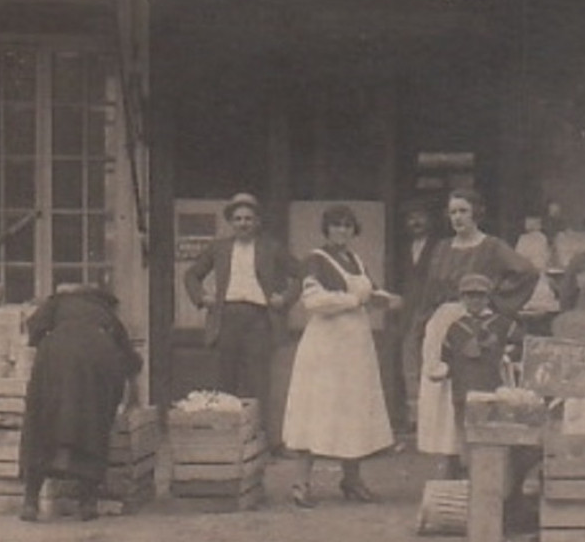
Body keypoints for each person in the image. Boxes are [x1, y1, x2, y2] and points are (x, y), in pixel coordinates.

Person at [414, 189, 538, 474]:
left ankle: (476, 460)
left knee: (474, 385)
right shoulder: (442, 248)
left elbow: (527, 272)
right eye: (453, 212)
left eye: (463, 211)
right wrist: (424, 323)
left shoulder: (491, 247)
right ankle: (449, 459)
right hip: (442, 321)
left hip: (474, 322)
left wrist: (494, 302)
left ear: (476, 214)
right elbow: (430, 289)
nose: (457, 217)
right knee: (442, 389)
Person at [281, 205, 396, 508]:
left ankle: (352, 479)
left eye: (347, 226)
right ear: (327, 229)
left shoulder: (355, 260)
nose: (342, 231)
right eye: (336, 226)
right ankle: (301, 483)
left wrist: (384, 300)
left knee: (354, 408)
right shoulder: (316, 260)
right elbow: (314, 301)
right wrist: (353, 299)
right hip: (325, 346)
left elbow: (369, 294)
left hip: (356, 344)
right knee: (317, 408)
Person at [17, 282, 143, 523]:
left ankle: (31, 501)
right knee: (94, 424)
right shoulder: (106, 314)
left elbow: (33, 328)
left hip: (55, 356)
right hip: (98, 358)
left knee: (40, 424)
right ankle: (87, 502)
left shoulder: (59, 302)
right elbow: (128, 356)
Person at [182, 193, 299, 445]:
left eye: (248, 218)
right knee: (226, 381)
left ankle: (266, 443)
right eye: (237, 219)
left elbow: (300, 274)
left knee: (260, 383)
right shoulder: (219, 248)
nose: (243, 223)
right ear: (230, 222)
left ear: (257, 221)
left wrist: (285, 298)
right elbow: (191, 275)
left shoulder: (271, 247)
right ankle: (227, 442)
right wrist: (203, 298)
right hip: (227, 318)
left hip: (258, 319)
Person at [429, 274, 524, 478]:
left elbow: (521, 345)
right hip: (464, 389)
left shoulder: (502, 323)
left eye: (480, 296)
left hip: (494, 387)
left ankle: (494, 473)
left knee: (494, 432)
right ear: (462, 299)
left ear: (488, 298)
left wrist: (505, 353)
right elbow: (447, 357)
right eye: (469, 296)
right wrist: (441, 370)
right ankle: (468, 472)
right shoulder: (455, 328)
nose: (475, 301)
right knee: (465, 433)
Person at [392, 198, 443, 432]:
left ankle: (434, 416)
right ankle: (415, 417)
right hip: (408, 312)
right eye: (411, 217)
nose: (416, 221)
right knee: (409, 360)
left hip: (433, 310)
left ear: (431, 219)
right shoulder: (402, 249)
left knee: (433, 360)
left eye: (420, 216)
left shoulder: (441, 247)